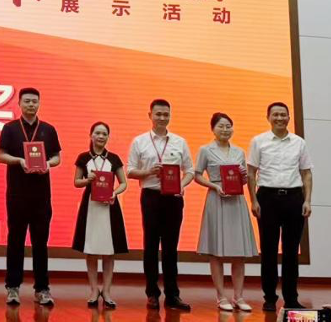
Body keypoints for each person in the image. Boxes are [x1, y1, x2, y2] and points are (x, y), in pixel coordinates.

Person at [127, 99, 193, 311]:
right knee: (151, 245)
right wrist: (148, 172)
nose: (162, 118)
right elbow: (130, 171)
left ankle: (173, 295)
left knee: (171, 248)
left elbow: (190, 170)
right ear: (150, 115)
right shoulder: (139, 141)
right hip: (151, 197)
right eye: (158, 114)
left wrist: (181, 185)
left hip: (174, 199)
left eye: (166, 114)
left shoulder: (180, 142)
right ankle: (152, 293)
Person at [0, 87, 61, 306]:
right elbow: (1, 156)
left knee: (40, 243)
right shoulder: (10, 128)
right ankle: (12, 288)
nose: (31, 104)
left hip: (41, 196)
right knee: (15, 240)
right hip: (17, 194)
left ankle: (42, 289)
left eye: (34, 101)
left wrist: (48, 164)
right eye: (27, 101)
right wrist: (19, 161)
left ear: (39, 103)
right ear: (19, 104)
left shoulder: (48, 129)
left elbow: (57, 157)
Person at [248, 102, 313, 312]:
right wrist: (254, 200)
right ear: (268, 117)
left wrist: (307, 200)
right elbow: (251, 173)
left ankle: (291, 298)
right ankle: (269, 297)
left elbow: (306, 173)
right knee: (268, 249)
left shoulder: (299, 142)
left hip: (294, 198)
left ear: (288, 118)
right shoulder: (258, 141)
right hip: (267, 198)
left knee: (291, 251)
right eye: (275, 114)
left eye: (283, 115)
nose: (279, 118)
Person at [194, 112, 257, 312]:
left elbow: (242, 179)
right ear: (213, 128)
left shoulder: (239, 151)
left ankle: (238, 296)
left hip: (237, 201)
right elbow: (197, 175)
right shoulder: (205, 150)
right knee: (216, 252)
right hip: (216, 200)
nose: (225, 129)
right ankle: (221, 297)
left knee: (239, 252)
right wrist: (214, 186)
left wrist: (244, 177)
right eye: (221, 126)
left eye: (228, 126)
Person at [71, 121, 128, 309]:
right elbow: (76, 182)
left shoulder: (114, 158)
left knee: (109, 251)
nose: (101, 136)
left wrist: (115, 193)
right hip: (91, 207)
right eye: (98, 133)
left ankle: (107, 291)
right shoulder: (83, 158)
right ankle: (94, 290)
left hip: (109, 207)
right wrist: (87, 180)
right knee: (91, 249)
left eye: (104, 134)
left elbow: (123, 183)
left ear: (108, 137)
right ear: (91, 135)